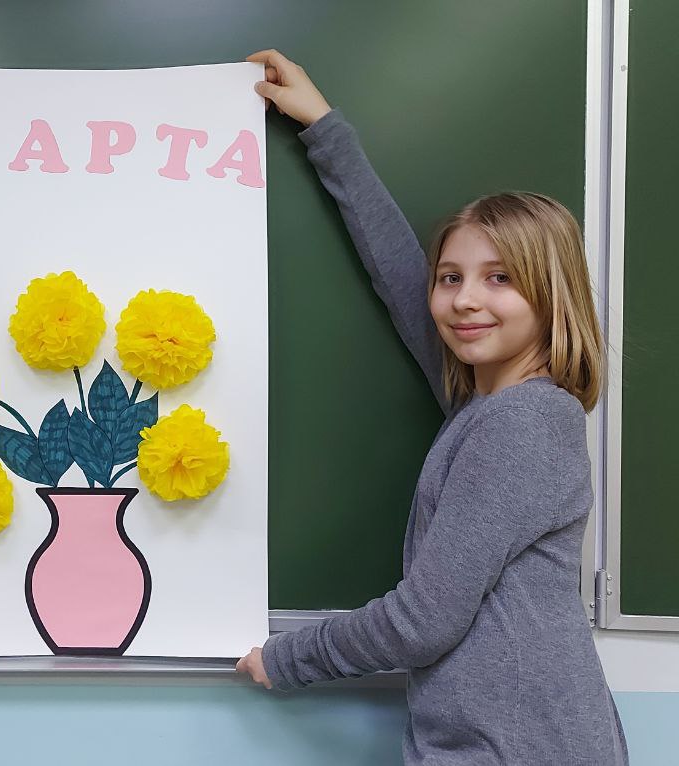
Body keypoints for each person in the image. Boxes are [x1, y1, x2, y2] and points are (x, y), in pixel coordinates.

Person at [235, 49, 628, 765]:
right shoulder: (486, 406)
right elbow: (399, 275)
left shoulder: (522, 424)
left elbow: (423, 620)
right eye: (451, 277)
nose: (465, 299)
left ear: (552, 295)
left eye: (500, 278)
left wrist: (288, 658)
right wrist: (323, 127)